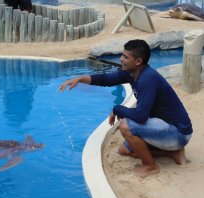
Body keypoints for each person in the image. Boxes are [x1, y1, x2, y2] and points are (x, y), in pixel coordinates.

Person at [58, 39, 193, 178]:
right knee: (124, 151)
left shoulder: (148, 78)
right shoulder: (130, 73)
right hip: (162, 126)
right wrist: (79, 79)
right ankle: (172, 153)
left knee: (126, 126)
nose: (121, 59)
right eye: (122, 55)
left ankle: (151, 166)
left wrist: (117, 109)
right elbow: (105, 79)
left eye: (125, 57)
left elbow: (141, 116)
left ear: (138, 61)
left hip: (178, 132)